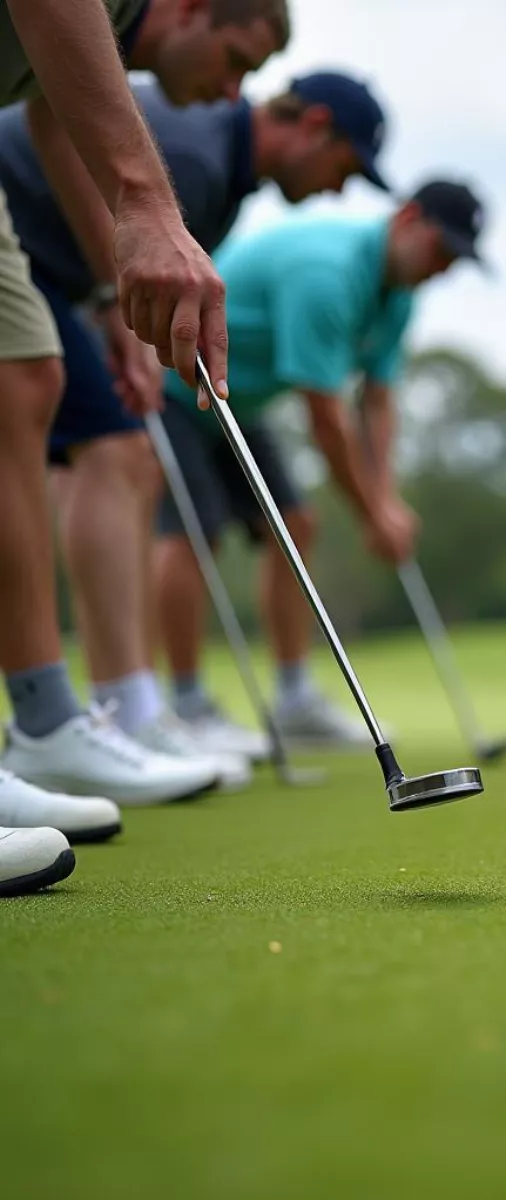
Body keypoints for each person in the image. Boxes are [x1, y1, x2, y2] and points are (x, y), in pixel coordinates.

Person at [0, 71, 395, 783]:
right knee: (125, 462)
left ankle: (134, 710)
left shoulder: (227, 169)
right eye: (344, 167)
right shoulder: (197, 157)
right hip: (33, 262)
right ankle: (133, 710)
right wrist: (110, 312)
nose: (341, 190)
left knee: (133, 461)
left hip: (72, 285)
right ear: (313, 127)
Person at [0, 0, 280, 894]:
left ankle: (47, 720)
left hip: (53, 249)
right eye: (236, 57)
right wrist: (146, 198)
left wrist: (114, 293)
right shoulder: (191, 156)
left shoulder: (117, 41)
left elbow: (48, 105)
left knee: (24, 378)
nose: (234, 93)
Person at [153, 178, 489, 747]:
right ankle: (187, 708)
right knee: (195, 536)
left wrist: (387, 499)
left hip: (239, 400)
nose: (444, 268)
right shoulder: (327, 274)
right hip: (176, 387)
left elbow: (378, 400)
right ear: (407, 219)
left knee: (295, 525)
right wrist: (371, 516)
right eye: (441, 250)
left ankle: (294, 703)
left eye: (456, 260)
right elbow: (326, 420)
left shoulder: (398, 295)